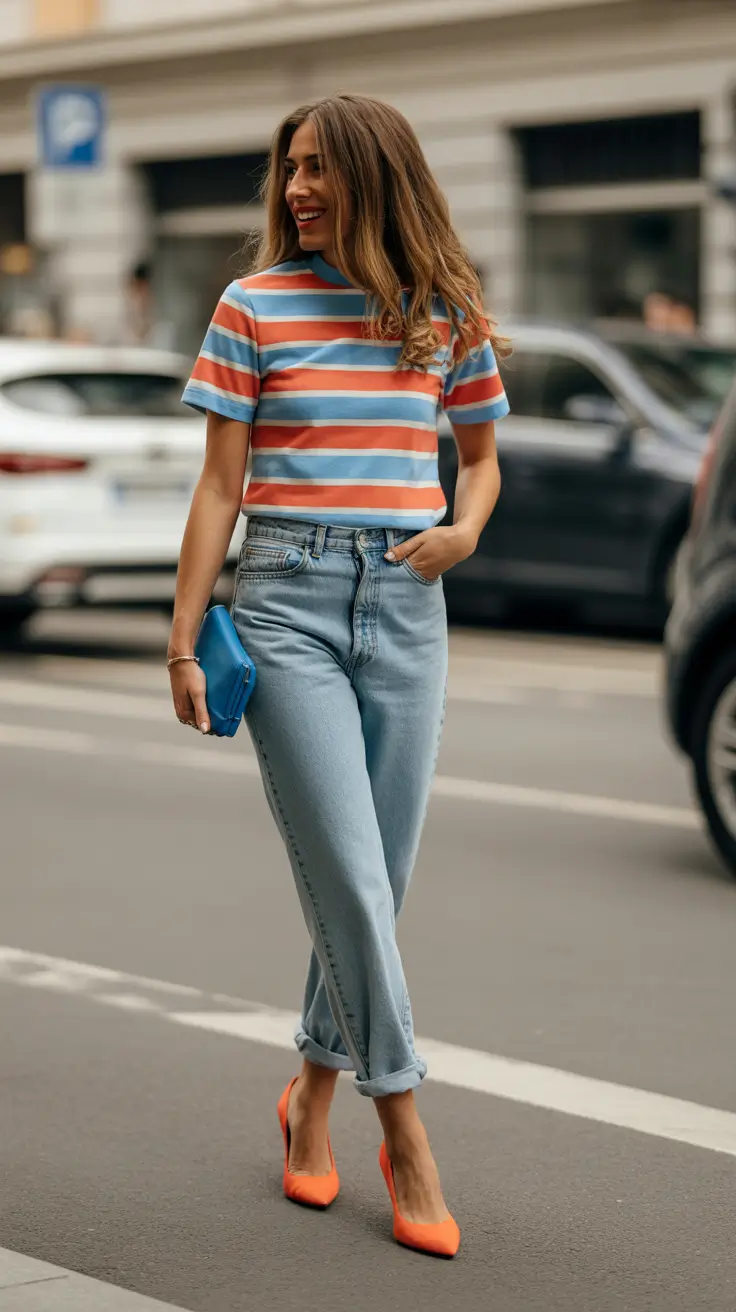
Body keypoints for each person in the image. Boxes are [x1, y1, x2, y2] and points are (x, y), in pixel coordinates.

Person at [168, 93, 509, 1258]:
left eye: (319, 169)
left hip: (410, 599)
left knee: (381, 875)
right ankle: (403, 1127)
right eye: (290, 170)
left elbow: (480, 460)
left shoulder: (440, 312)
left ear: (378, 176)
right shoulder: (250, 305)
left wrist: (464, 530)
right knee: (354, 881)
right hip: (286, 605)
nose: (297, 188)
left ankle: (308, 1092)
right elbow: (219, 486)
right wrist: (181, 637)